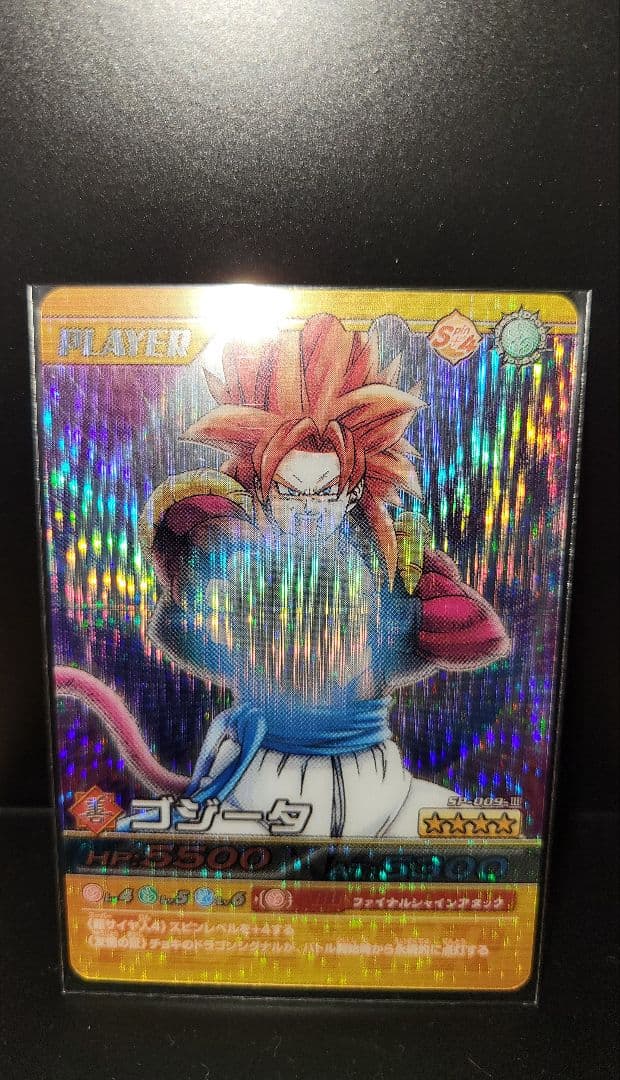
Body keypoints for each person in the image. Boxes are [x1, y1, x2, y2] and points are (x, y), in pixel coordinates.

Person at [133, 313, 509, 838]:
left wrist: (421, 600)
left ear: (351, 492)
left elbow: (473, 637)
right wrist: (208, 562)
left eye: (325, 491)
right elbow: (178, 624)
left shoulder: (391, 566)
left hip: (374, 777)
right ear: (261, 490)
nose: (309, 509)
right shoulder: (234, 558)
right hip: (262, 776)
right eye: (291, 491)